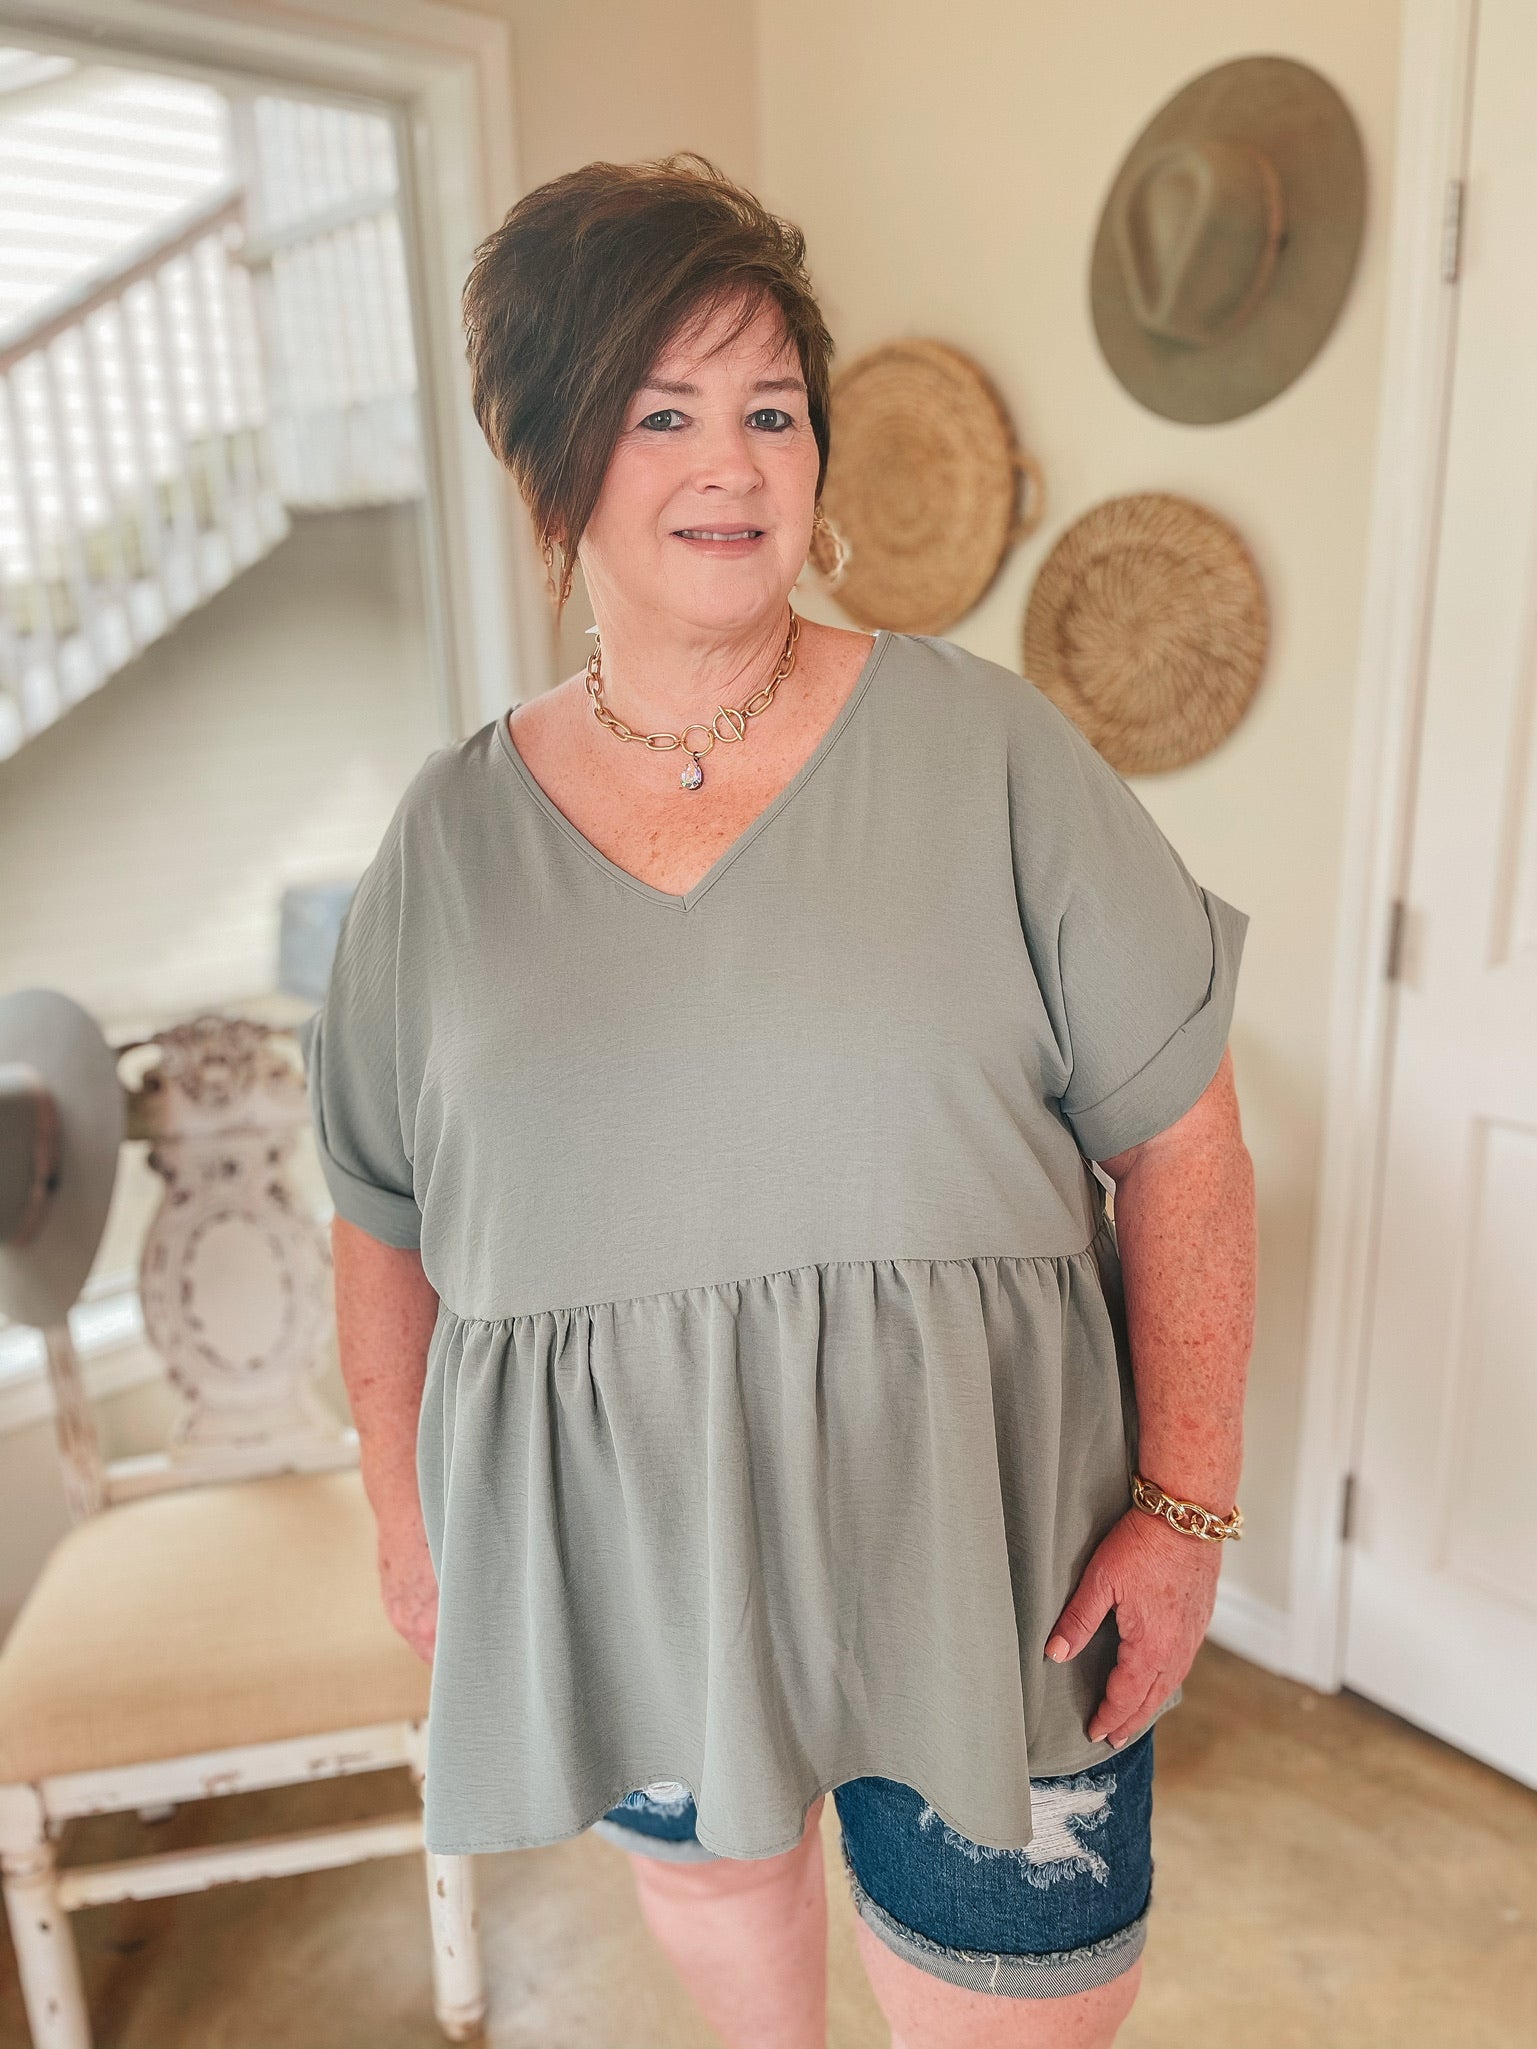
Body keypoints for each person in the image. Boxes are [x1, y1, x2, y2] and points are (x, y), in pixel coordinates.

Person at [302, 153, 1257, 2049]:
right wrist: (407, 1519)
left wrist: (1184, 1509)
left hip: (990, 1557)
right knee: (728, 1935)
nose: (731, 464)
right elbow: (377, 1213)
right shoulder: (446, 840)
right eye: (661, 413)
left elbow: (1185, 1137)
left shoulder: (990, 751)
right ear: (553, 461)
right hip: (637, 1563)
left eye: (769, 409)